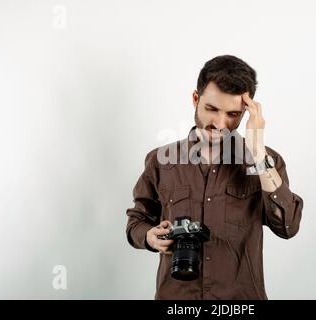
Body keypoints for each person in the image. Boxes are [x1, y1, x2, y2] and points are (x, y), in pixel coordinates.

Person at [125, 55, 304, 300]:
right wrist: (148, 236)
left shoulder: (266, 162)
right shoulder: (160, 160)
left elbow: (288, 226)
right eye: (212, 109)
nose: (220, 123)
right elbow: (137, 220)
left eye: (233, 114)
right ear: (195, 99)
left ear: (247, 113)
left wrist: (257, 151)